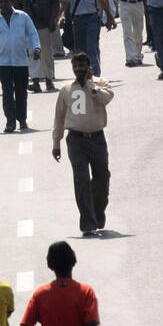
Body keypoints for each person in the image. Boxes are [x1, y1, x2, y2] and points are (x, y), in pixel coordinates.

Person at [51, 52, 114, 236]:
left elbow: (106, 99)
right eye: (75, 67)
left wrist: (91, 85)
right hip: (76, 140)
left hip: (97, 139)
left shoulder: (100, 83)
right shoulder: (66, 89)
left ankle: (97, 212)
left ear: (89, 67)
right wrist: (56, 143)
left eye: (82, 66)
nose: (78, 69)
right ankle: (87, 222)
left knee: (102, 178)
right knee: (81, 180)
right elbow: (59, 117)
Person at [0, 0, 40, 133]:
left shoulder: (23, 17)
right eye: (1, 2)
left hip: (21, 61)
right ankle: (10, 121)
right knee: (7, 91)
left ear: (12, 2)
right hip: (3, 62)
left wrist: (36, 48)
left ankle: (22, 120)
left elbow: (33, 33)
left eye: (6, 1)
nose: (3, 4)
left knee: (21, 92)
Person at [58, 0, 115, 77]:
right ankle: (83, 75)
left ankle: (95, 76)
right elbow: (64, 3)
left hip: (91, 19)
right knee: (80, 50)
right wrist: (61, 16)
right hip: (77, 20)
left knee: (91, 47)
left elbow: (102, 0)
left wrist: (110, 17)